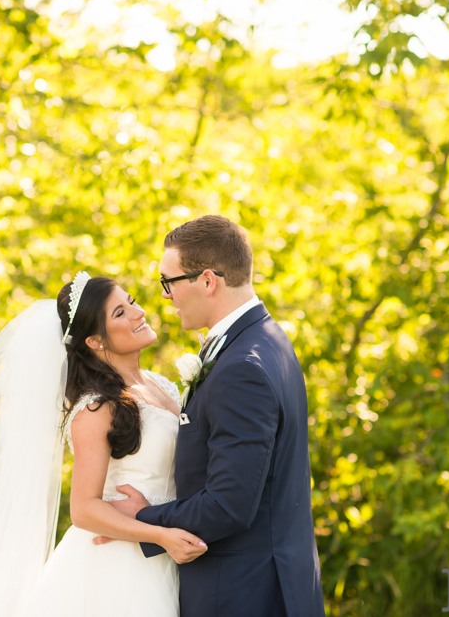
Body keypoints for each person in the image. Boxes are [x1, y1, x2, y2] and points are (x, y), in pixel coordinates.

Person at [0, 272, 205, 617]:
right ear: (95, 341)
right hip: (123, 564)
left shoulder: (160, 384)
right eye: (119, 313)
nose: (138, 313)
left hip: (170, 545)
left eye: (131, 302)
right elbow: (84, 508)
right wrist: (159, 535)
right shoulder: (97, 407)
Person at [100, 215, 326, 617]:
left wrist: (142, 516)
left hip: (244, 593)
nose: (165, 297)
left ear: (207, 281)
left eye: (168, 282)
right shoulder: (266, 338)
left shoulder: (242, 367)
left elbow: (228, 504)